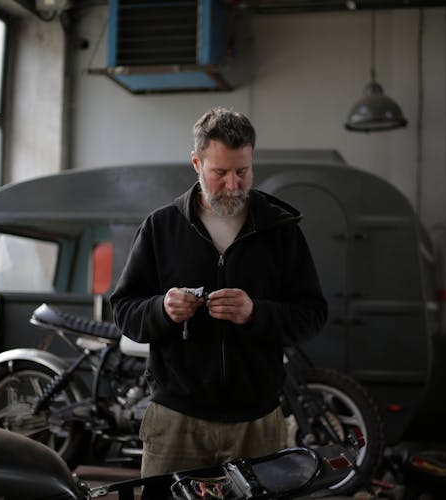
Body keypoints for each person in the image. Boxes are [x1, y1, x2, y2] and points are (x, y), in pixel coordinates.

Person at [110, 107, 328, 478]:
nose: (233, 184)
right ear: (196, 163)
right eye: (220, 172)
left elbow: (312, 314)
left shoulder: (281, 230)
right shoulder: (160, 227)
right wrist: (162, 310)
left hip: (257, 422)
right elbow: (125, 310)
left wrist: (255, 314)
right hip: (175, 421)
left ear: (252, 161)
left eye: (242, 172)